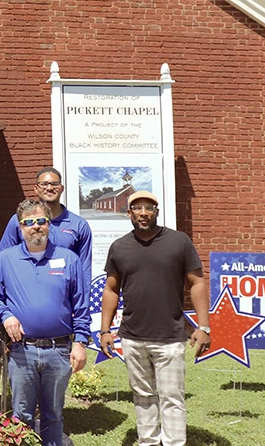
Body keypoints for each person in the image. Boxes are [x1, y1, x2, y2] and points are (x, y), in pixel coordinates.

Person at [99, 191, 210, 446]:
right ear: (128, 213)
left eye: (149, 208)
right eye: (137, 208)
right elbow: (111, 289)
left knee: (172, 397)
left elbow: (197, 283)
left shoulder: (179, 242)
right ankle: (148, 441)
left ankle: (173, 442)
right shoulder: (119, 247)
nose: (143, 213)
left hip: (170, 336)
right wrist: (105, 330)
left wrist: (203, 326)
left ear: (157, 212)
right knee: (142, 395)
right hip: (132, 336)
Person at [0, 199, 90, 446]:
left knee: (54, 414)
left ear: (49, 225)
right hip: (22, 350)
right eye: (28, 222)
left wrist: (81, 342)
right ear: (20, 228)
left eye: (41, 221)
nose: (35, 227)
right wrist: (6, 315)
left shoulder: (69, 259)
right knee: (22, 414)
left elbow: (81, 305)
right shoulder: (6, 259)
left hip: (59, 350)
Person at [0, 167, 92, 301]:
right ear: (36, 188)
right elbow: (2, 258)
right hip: (25, 296)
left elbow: (84, 270)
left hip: (63, 300)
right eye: (44, 184)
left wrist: (82, 303)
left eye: (54, 184)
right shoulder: (20, 221)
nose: (49, 188)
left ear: (62, 188)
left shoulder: (79, 225)